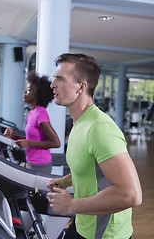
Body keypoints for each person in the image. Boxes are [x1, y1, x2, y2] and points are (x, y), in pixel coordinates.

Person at [47, 53, 142, 239]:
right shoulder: (80, 122)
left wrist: (71, 205)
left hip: (105, 234)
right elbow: (93, 167)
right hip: (83, 222)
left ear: (81, 87)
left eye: (60, 78)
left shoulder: (100, 128)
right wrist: (68, 180)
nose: (53, 84)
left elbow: (131, 195)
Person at [4, 70, 60, 174]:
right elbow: (30, 139)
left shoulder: (40, 113)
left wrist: (28, 143)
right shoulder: (31, 113)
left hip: (41, 165)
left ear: (37, 94)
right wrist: (13, 136)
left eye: (29, 90)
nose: (24, 91)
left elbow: (56, 143)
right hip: (31, 162)